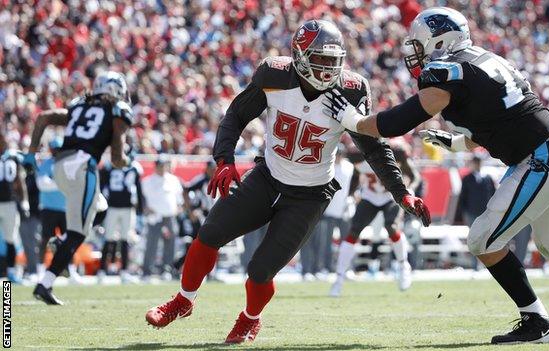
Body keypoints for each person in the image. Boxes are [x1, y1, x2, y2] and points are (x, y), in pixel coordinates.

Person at [322, 7, 549, 344]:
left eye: (419, 43)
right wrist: (456, 142)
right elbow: (499, 119)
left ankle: (536, 320)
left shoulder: (446, 71)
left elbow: (395, 123)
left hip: (540, 157)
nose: (415, 52)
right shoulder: (480, 60)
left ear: (440, 40)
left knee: (482, 238)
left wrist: (352, 120)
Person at [145, 19, 430, 344]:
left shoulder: (350, 90)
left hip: (309, 196)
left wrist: (401, 192)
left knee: (260, 270)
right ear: (300, 55)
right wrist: (224, 160)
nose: (327, 70)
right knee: (209, 234)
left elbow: (374, 146)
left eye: (333, 62)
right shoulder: (275, 76)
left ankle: (250, 319)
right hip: (268, 177)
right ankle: (183, 301)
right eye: (320, 60)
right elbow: (236, 115)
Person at [26, 71, 134, 305]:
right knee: (79, 233)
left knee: (101, 208)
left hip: (61, 167)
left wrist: (31, 153)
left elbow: (43, 117)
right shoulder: (117, 112)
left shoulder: (78, 106)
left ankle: (60, 242)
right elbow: (117, 158)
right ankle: (45, 283)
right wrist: (127, 160)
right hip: (83, 166)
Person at [330, 146, 417, 296]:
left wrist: (406, 188)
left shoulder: (395, 154)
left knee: (391, 227)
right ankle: (339, 278)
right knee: (353, 231)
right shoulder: (359, 156)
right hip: (370, 196)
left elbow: (413, 176)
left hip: (390, 196)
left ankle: (403, 265)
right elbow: (355, 175)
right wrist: (352, 194)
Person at [300, 146, 353, 279]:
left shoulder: (349, 167)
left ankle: (345, 268)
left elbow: (354, 183)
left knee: (346, 240)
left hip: (343, 209)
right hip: (325, 210)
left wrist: (352, 197)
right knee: (323, 242)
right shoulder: (328, 167)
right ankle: (321, 268)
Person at [35, 137, 82, 283]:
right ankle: (40, 270)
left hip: (66, 208)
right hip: (49, 208)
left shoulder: (69, 165)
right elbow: (42, 184)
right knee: (45, 239)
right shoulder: (47, 163)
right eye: (55, 149)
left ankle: (72, 271)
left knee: (70, 240)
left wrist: (58, 184)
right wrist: (61, 184)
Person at [98, 147, 144, 283]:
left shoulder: (130, 169)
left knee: (123, 240)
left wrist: (140, 210)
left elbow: (138, 189)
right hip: (114, 207)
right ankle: (102, 270)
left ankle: (122, 271)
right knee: (110, 239)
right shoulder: (110, 168)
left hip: (124, 208)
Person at [141, 156, 183, 280]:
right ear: (156, 166)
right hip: (155, 216)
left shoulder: (173, 180)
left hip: (169, 216)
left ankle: (167, 269)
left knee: (170, 244)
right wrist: (145, 208)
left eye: (164, 165)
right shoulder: (148, 181)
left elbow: (179, 198)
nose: (162, 168)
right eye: (160, 165)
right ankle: (147, 270)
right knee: (152, 243)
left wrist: (178, 208)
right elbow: (142, 198)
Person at [457, 155, 496, 269]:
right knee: (474, 239)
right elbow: (463, 198)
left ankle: (487, 263)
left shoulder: (488, 178)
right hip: (471, 213)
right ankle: (475, 265)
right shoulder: (467, 178)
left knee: (485, 239)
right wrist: (464, 213)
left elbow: (493, 196)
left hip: (485, 214)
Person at [0, 130, 28, 283]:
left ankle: (10, 273)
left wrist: (24, 202)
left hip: (10, 203)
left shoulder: (13, 157)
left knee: (10, 239)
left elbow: (19, 181)